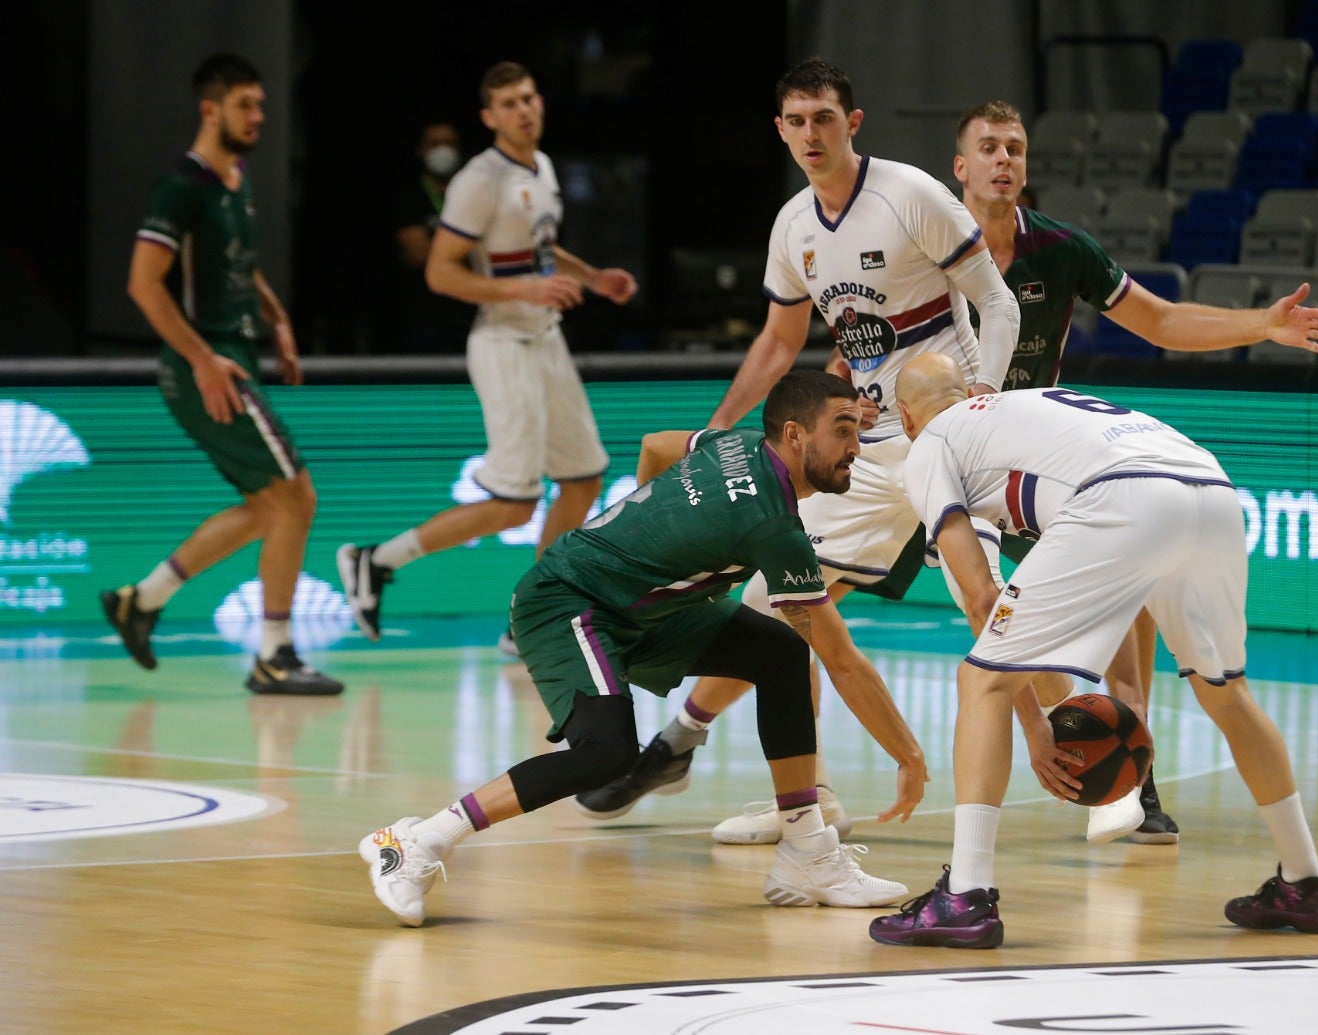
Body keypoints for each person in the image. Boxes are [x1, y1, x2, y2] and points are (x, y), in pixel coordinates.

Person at [574, 87, 1318, 844]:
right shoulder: (902, 229)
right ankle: (752, 774)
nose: (1004, 162)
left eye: (1016, 150)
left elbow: (1160, 319)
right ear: (960, 170)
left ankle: (1123, 775)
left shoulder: (1054, 247)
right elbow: (857, 339)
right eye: (990, 150)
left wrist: (1259, 324)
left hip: (1016, 450)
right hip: (899, 441)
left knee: (1036, 612)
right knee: (783, 599)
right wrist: (793, 418)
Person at [569, 56, 1021, 842]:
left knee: (990, 604)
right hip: (869, 452)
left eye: (824, 118)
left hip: (948, 436)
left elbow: (997, 301)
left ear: (853, 123)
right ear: (779, 130)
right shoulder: (793, 227)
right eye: (796, 121)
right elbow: (781, 343)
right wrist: (716, 428)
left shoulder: (910, 194)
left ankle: (1108, 774)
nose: (810, 134)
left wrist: (985, 395)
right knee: (778, 614)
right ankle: (781, 792)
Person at [359, 370, 929, 926]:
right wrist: (907, 756)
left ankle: (808, 854)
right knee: (605, 753)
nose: (856, 445)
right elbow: (844, 662)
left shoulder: (734, 442)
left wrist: (649, 515)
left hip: (645, 607)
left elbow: (655, 446)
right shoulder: (773, 529)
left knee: (779, 653)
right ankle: (416, 841)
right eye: (843, 429)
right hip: (567, 603)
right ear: (795, 435)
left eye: (858, 429)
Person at [868, 353, 1318, 948]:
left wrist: (1037, 724)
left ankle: (964, 897)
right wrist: (1122, 696)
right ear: (968, 390)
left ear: (905, 416)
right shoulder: (1027, 410)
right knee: (1226, 692)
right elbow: (1122, 589)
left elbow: (978, 595)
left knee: (982, 681)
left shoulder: (930, 442)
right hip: (1213, 487)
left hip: (1125, 494)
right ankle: (1306, 882)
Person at [337, 62, 637, 641]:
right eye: (508, 103)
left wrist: (594, 278)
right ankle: (376, 561)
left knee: (582, 479)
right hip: (502, 343)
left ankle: (535, 614)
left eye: (529, 97)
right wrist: (525, 290)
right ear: (489, 117)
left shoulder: (543, 167)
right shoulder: (479, 179)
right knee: (515, 504)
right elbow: (439, 272)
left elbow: (541, 252)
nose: (523, 110)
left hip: (546, 339)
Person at [100, 53, 341, 696]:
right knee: (298, 495)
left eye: (261, 105)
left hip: (234, 358)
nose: (258, 117)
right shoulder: (183, 187)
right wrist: (204, 359)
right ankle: (273, 654)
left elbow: (241, 264)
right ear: (211, 109)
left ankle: (140, 601)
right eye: (246, 105)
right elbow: (143, 285)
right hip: (206, 367)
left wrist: (277, 316)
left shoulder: (237, 177)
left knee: (270, 506)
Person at [389, 119, 476, 354]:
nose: (443, 150)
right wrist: (464, 246)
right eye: (435, 143)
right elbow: (419, 255)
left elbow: (486, 254)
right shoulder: (409, 199)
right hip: (425, 317)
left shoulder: (473, 199)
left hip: (471, 316)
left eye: (449, 143)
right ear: (421, 150)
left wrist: (438, 244)